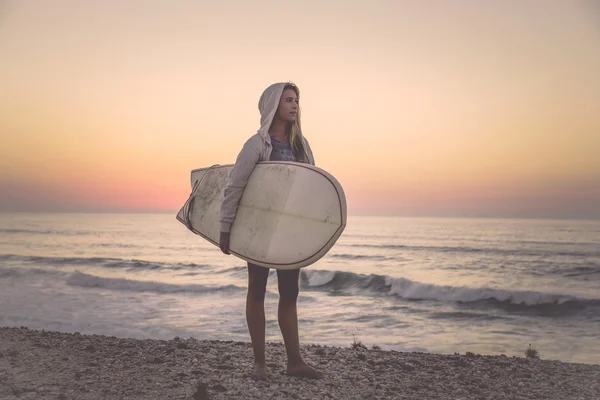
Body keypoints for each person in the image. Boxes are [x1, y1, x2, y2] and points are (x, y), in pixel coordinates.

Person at [218, 82, 321, 380]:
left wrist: (309, 233)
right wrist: (225, 229)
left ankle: (295, 362)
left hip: (289, 232)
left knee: (290, 293)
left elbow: (312, 189)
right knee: (257, 291)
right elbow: (234, 188)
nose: (294, 105)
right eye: (288, 100)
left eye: (297, 100)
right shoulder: (256, 145)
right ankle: (260, 364)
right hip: (260, 231)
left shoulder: (302, 145)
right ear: (273, 104)